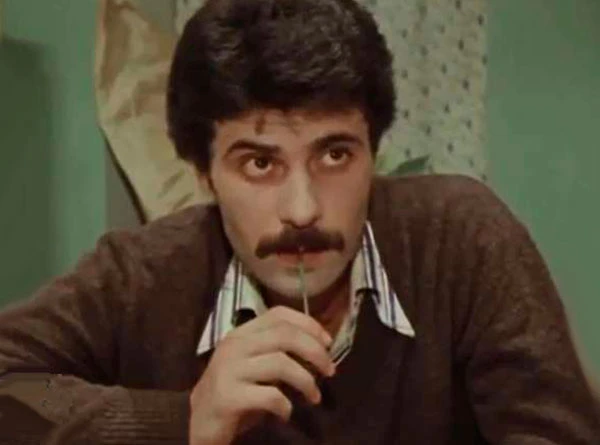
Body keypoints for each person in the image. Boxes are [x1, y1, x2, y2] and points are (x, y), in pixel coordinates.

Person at [0, 0, 599, 443]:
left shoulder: (461, 238)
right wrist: (181, 421)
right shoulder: (141, 275)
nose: (303, 209)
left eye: (334, 154)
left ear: (373, 152)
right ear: (204, 174)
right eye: (260, 163)